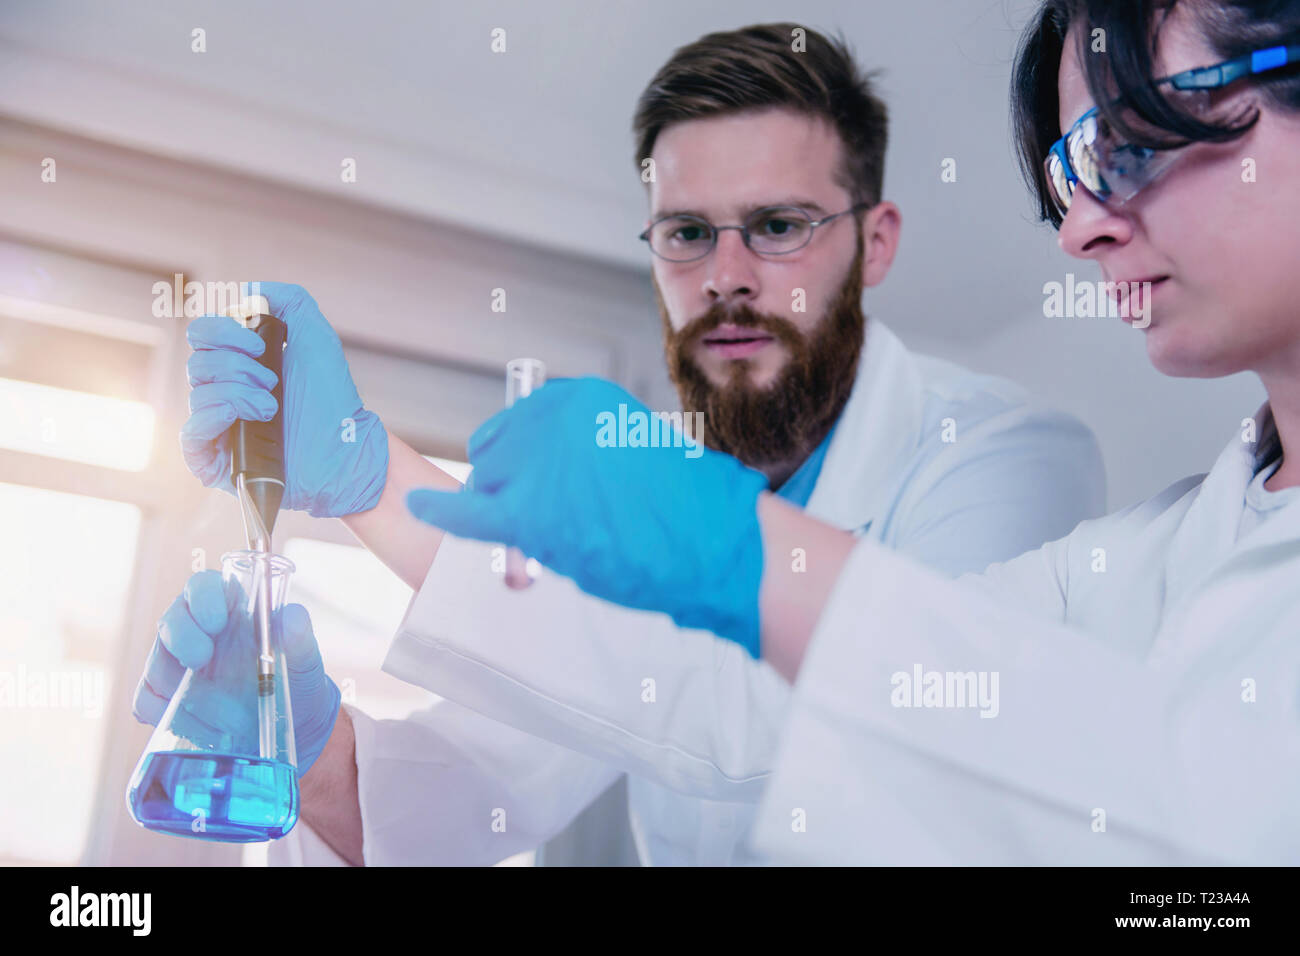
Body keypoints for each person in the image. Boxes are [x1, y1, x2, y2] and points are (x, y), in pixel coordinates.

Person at [135, 24, 1105, 866]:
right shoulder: (658, 494)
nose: (726, 275)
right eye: (687, 232)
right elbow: (463, 794)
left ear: (875, 241)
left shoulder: (1003, 457)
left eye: (775, 225)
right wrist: (313, 753)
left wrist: (371, 474)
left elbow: (868, 735)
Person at [405, 0, 1300, 864]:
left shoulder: (1002, 454)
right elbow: (767, 711)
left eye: (1132, 140)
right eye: (1074, 171)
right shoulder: (1137, 555)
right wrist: (367, 477)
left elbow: (1220, 856)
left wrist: (720, 541)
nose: (1076, 230)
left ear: (874, 242)